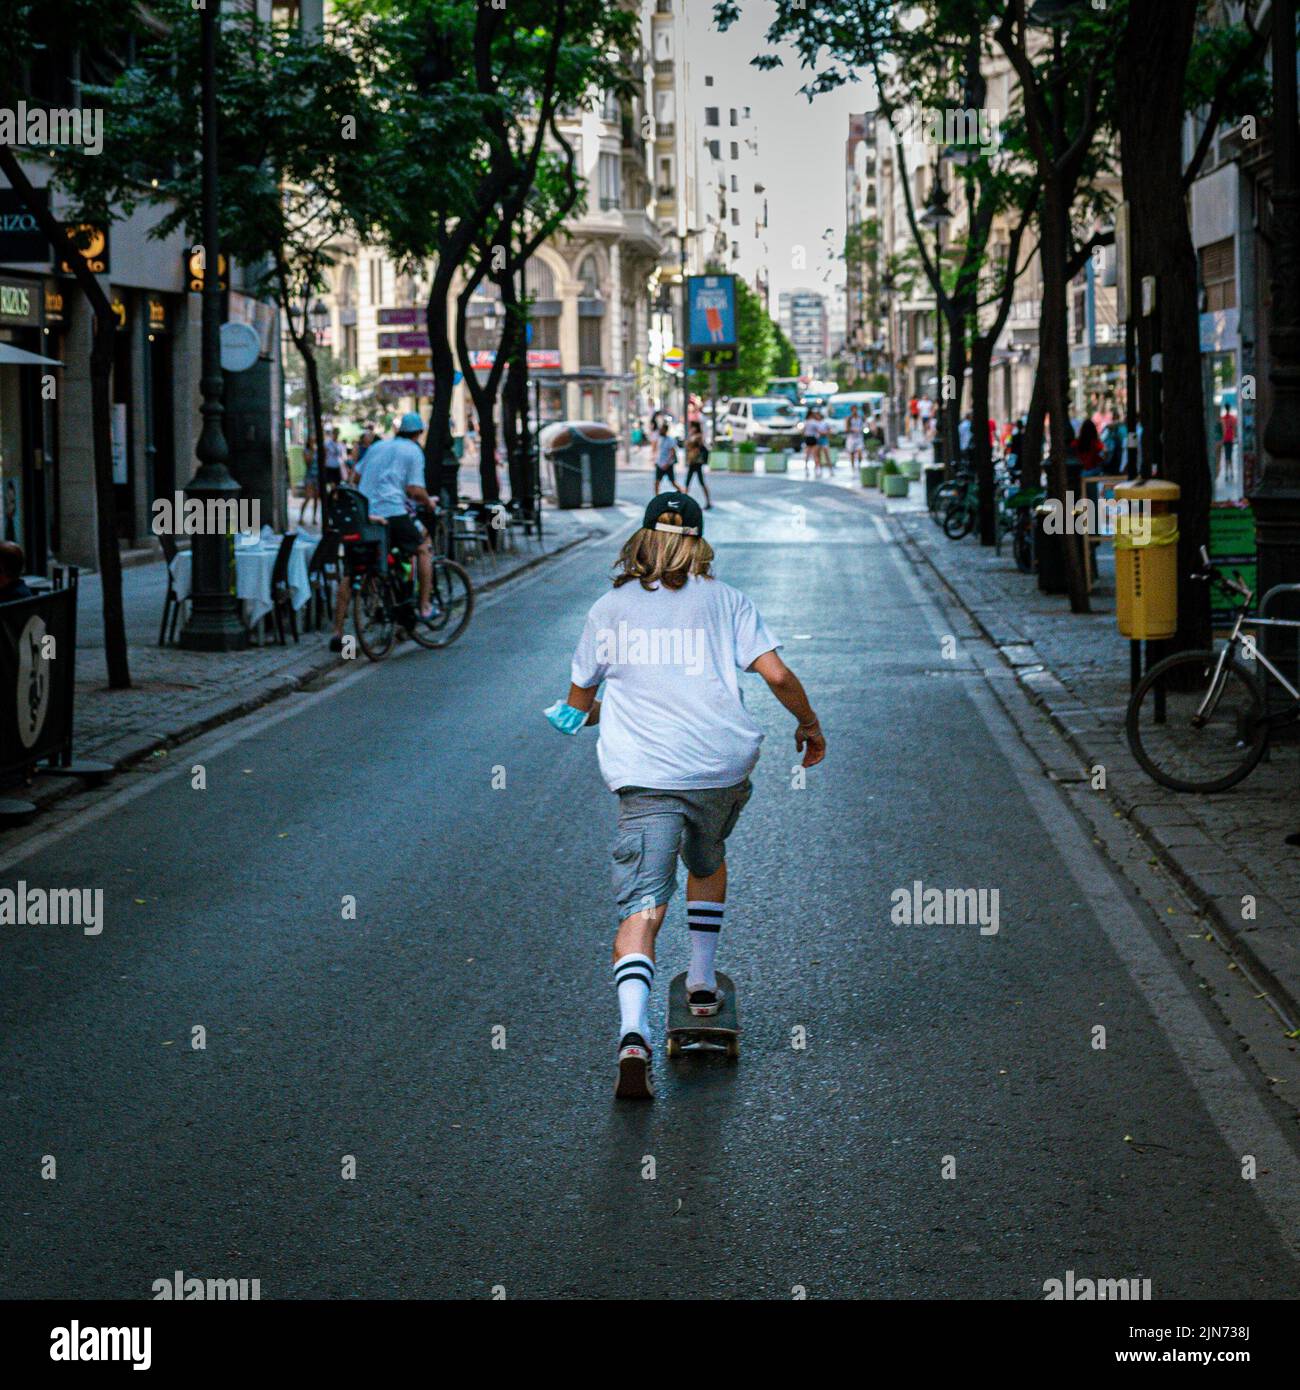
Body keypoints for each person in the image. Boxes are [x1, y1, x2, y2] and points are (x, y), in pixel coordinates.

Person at [545, 491, 826, 1099]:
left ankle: (632, 1034)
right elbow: (776, 674)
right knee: (708, 858)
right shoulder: (728, 602)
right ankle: (701, 980)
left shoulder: (608, 609)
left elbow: (576, 710)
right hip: (720, 770)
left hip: (647, 775)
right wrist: (809, 724)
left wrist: (593, 710)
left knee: (644, 904)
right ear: (698, 543)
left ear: (643, 539)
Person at [330, 412, 438, 654]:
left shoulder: (378, 446)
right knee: (422, 546)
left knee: (353, 569)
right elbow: (413, 489)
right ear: (418, 433)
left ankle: (337, 632)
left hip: (365, 515)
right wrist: (429, 502)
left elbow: (354, 477)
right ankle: (424, 606)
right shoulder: (413, 451)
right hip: (392, 512)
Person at [684, 420, 712, 508]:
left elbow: (695, 447)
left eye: (691, 427)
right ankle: (708, 502)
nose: (690, 428)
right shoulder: (692, 436)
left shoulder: (698, 436)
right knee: (691, 482)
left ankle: (708, 502)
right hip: (693, 461)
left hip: (696, 462)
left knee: (693, 482)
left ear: (695, 428)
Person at [653, 419, 678, 493]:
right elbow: (658, 451)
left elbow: (672, 453)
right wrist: (655, 460)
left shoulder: (670, 440)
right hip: (660, 464)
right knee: (657, 482)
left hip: (667, 464)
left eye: (661, 430)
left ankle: (682, 493)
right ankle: (656, 499)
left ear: (665, 430)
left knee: (673, 482)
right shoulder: (660, 439)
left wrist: (667, 463)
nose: (660, 431)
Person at [323, 428, 346, 494]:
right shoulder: (327, 443)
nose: (336, 435)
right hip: (329, 466)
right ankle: (333, 496)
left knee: (337, 483)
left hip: (337, 467)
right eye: (335, 433)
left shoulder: (340, 444)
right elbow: (324, 455)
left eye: (337, 433)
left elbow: (341, 456)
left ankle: (335, 497)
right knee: (331, 484)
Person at [1220, 404, 1238, 482]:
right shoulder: (1233, 418)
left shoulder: (1223, 418)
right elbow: (1235, 428)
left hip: (1225, 439)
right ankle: (1231, 473)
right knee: (1229, 456)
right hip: (1230, 439)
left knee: (1227, 456)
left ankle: (1227, 474)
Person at [802, 410, 820, 476]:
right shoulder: (814, 422)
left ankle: (806, 468)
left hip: (808, 438)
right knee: (815, 455)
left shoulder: (806, 422)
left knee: (807, 454)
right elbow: (818, 430)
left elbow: (803, 431)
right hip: (813, 438)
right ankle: (816, 469)